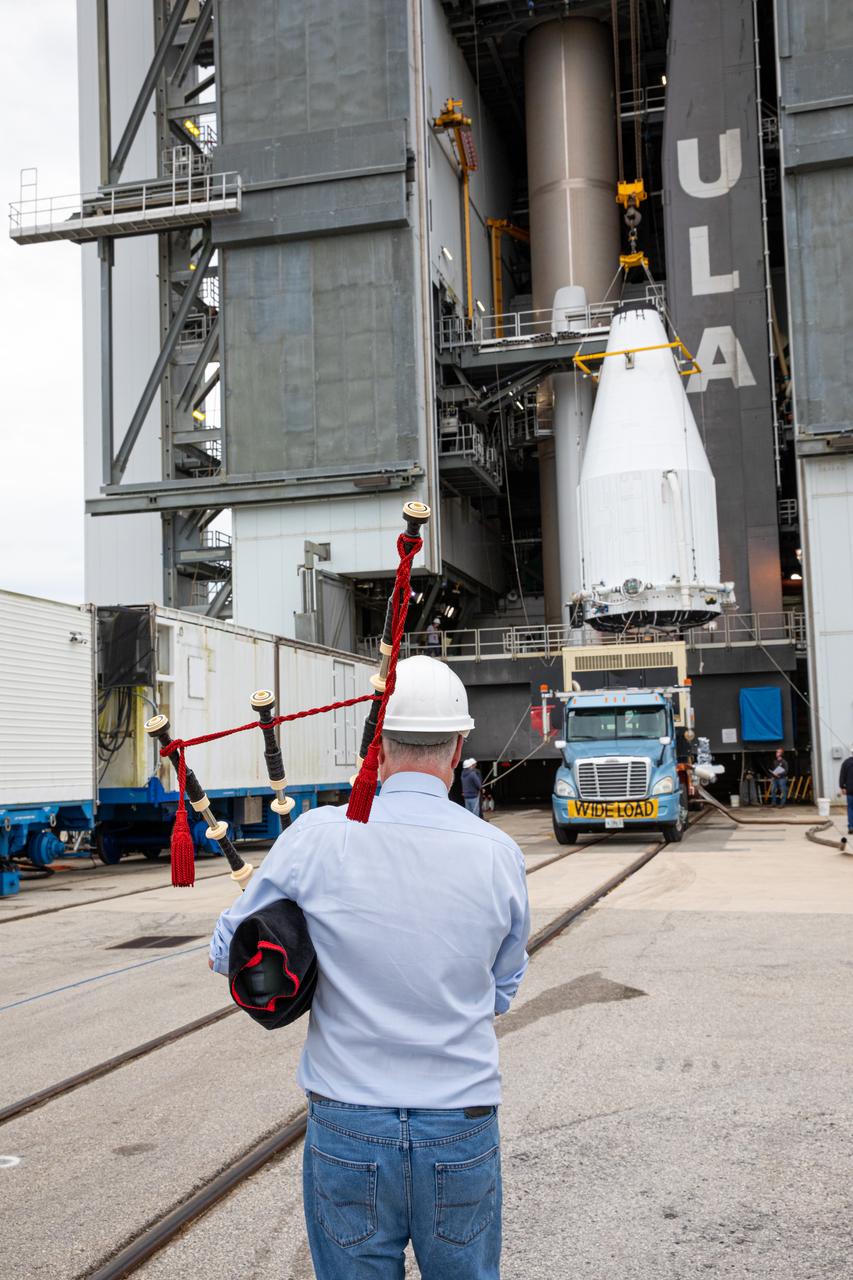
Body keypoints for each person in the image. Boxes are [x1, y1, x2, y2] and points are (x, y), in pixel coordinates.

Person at [208, 655, 530, 1279]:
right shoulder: (500, 853)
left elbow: (228, 951)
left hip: (349, 1126)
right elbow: (502, 988)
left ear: (376, 742)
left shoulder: (316, 837)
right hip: (459, 1125)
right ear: (460, 744)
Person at [839, 748, 853, 833]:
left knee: (850, 808)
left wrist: (842, 787)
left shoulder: (846, 763)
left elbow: (842, 776)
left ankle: (851, 826)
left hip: (850, 790)